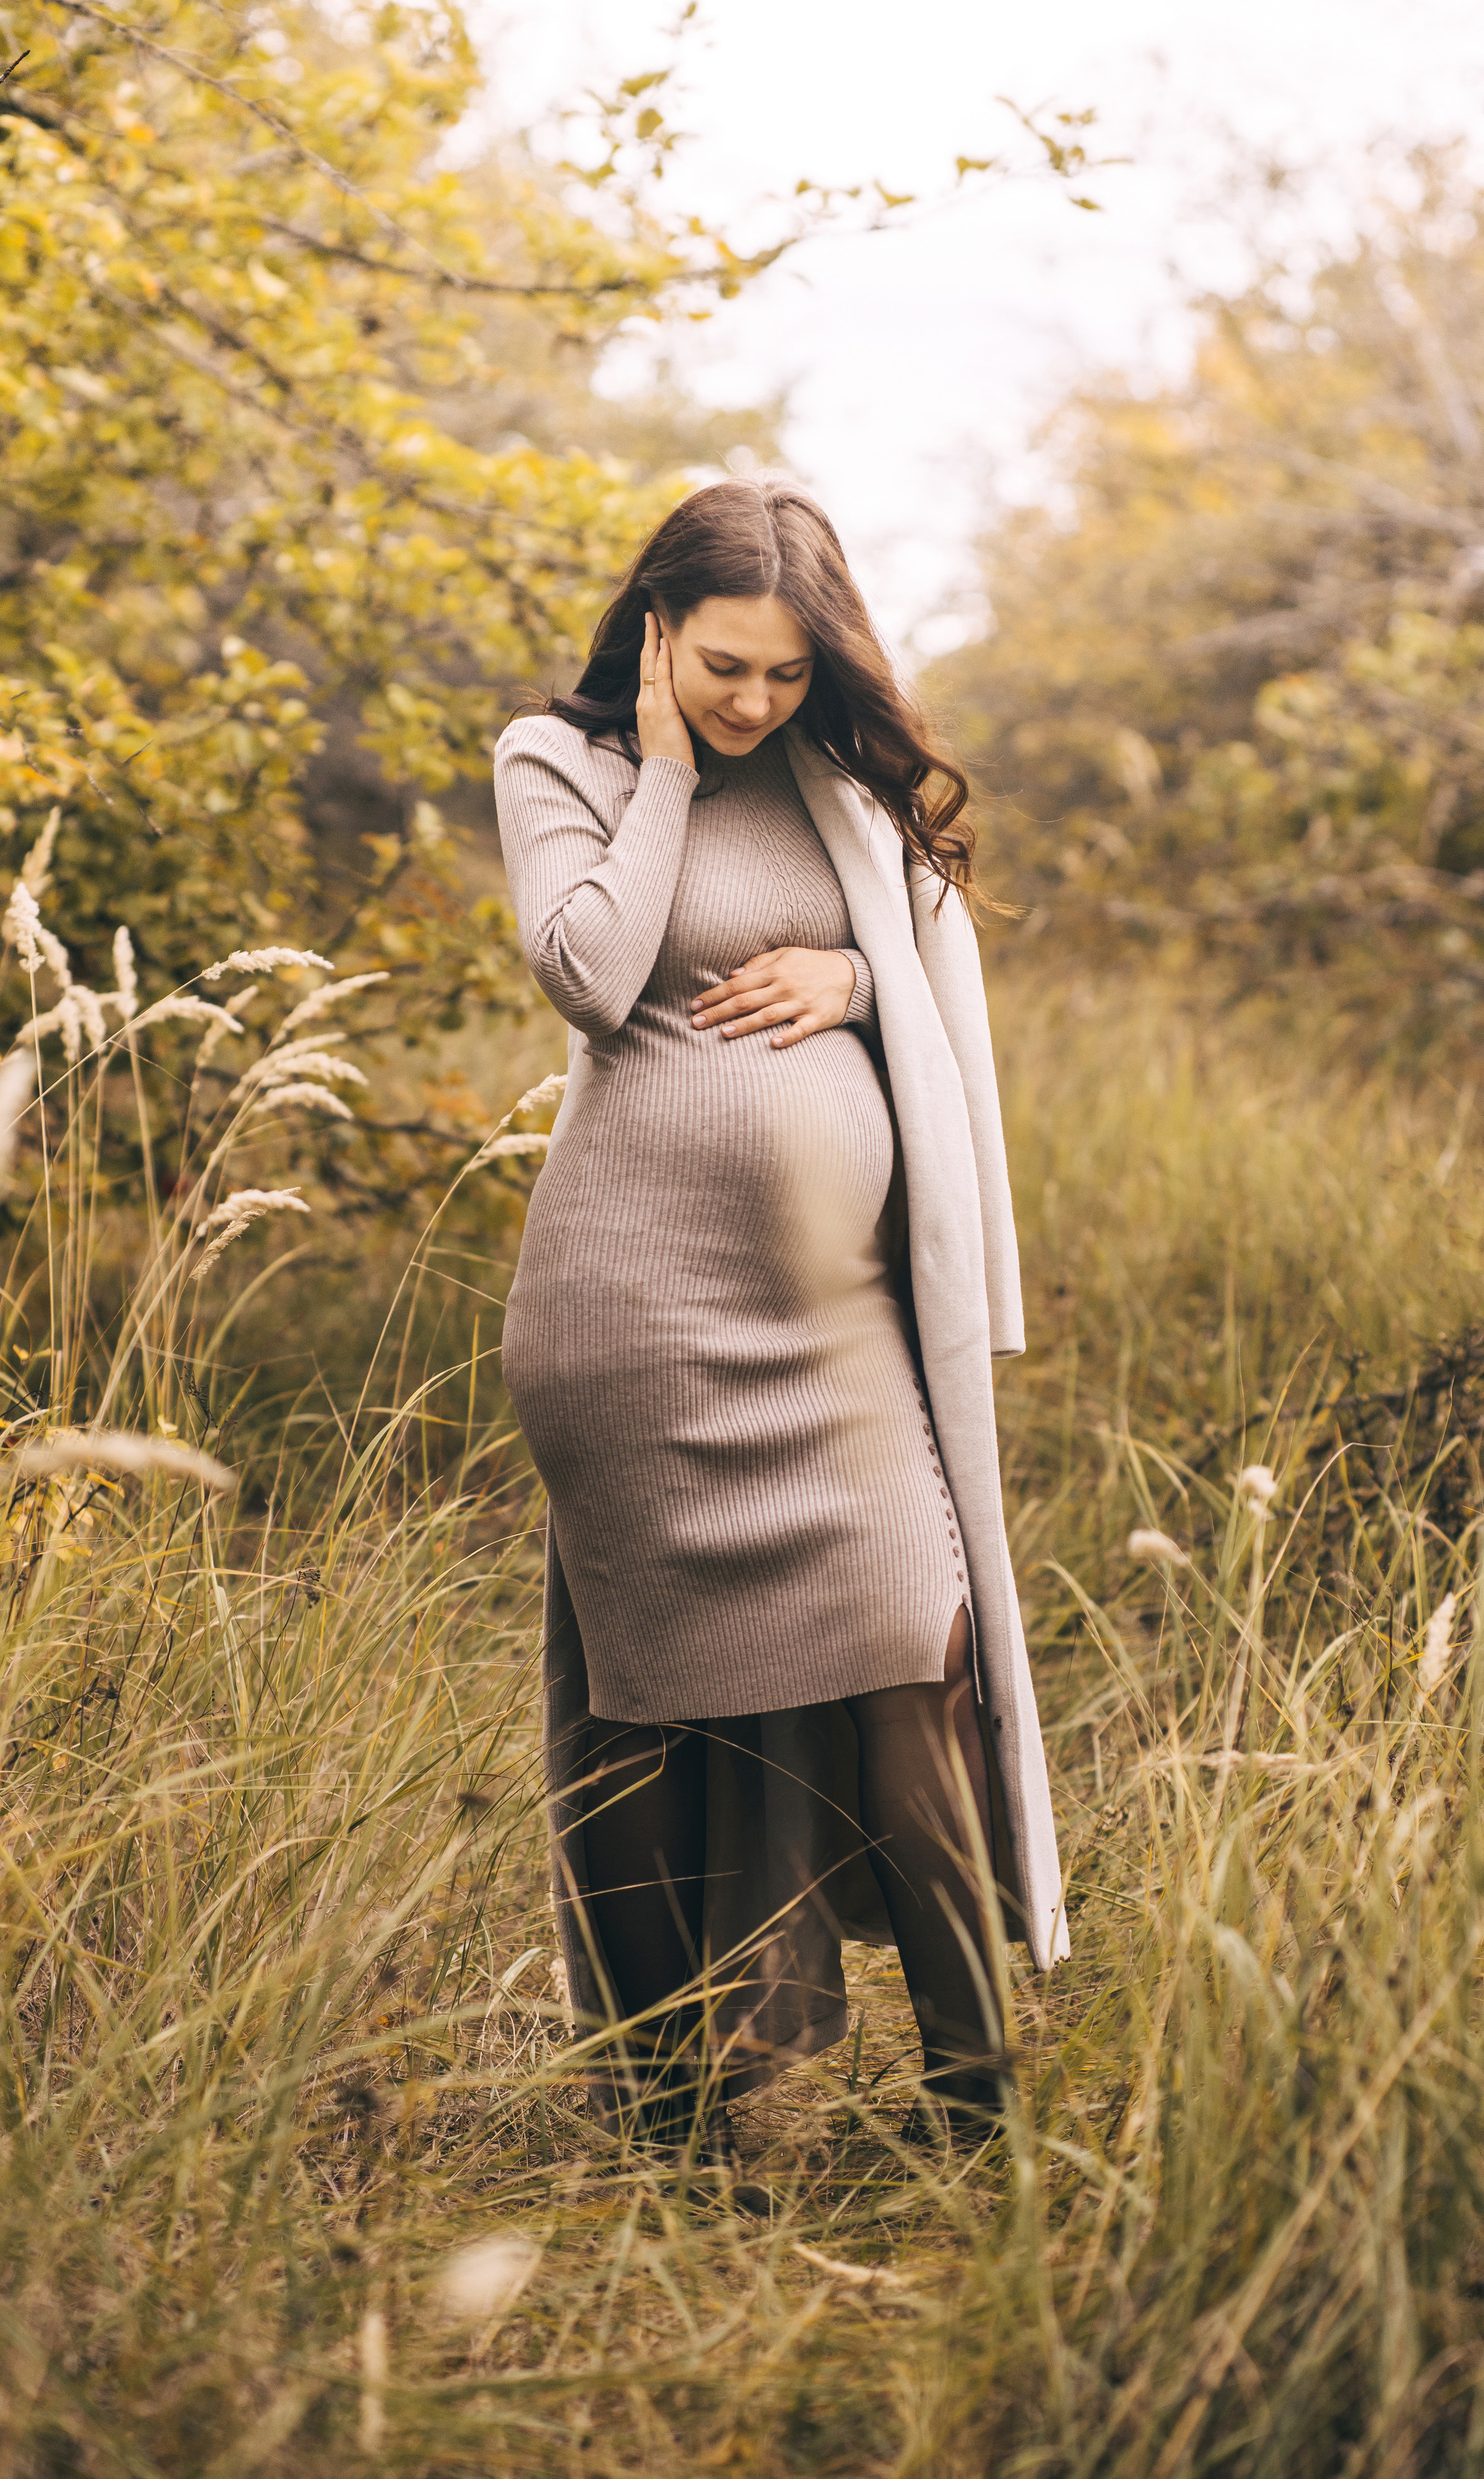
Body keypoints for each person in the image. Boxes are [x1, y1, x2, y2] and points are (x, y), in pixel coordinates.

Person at [495, 478, 1067, 2154]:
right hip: (629, 1327)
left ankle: (977, 2117)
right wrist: (669, 770)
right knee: (657, 1715)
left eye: (785, 675)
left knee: (919, 1659)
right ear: (659, 629)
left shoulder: (841, 782)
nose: (755, 702)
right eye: (725, 666)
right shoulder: (562, 762)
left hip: (838, 1335)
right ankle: (685, 2109)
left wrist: (857, 976)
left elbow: (928, 959)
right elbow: (590, 973)